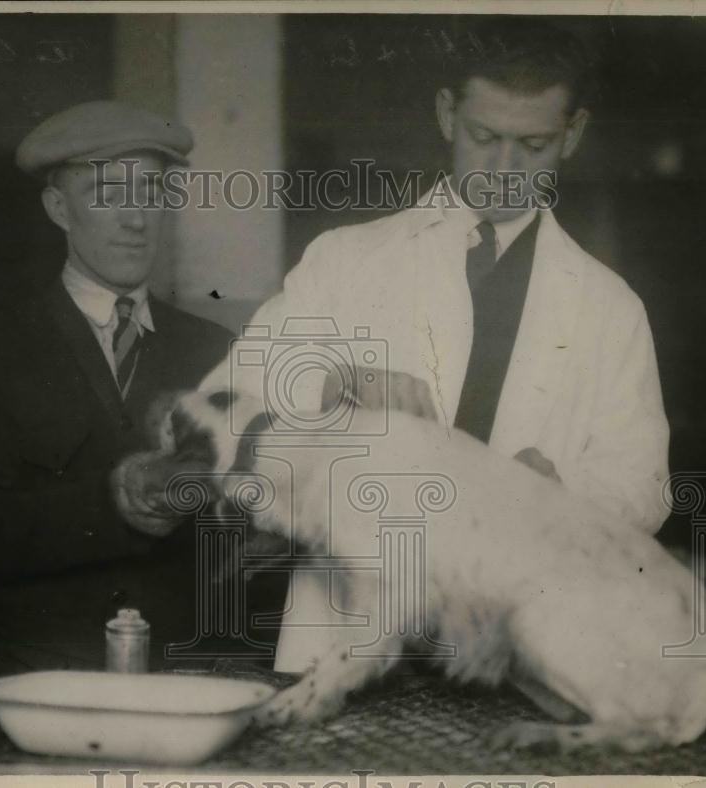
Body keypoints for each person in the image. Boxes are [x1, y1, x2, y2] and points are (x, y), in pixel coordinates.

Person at [193, 19, 672, 670]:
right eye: (485, 137)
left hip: (518, 654)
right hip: (343, 641)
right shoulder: (344, 262)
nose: (505, 167)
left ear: (574, 133)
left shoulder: (610, 307)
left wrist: (564, 498)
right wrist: (327, 401)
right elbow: (217, 416)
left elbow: (643, 484)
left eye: (533, 144)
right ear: (448, 115)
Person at [0, 101, 282, 687]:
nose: (136, 219)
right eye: (107, 192)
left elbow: (251, 537)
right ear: (58, 209)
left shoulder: (220, 352)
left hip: (191, 681)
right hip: (44, 681)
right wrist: (112, 505)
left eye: (149, 191)